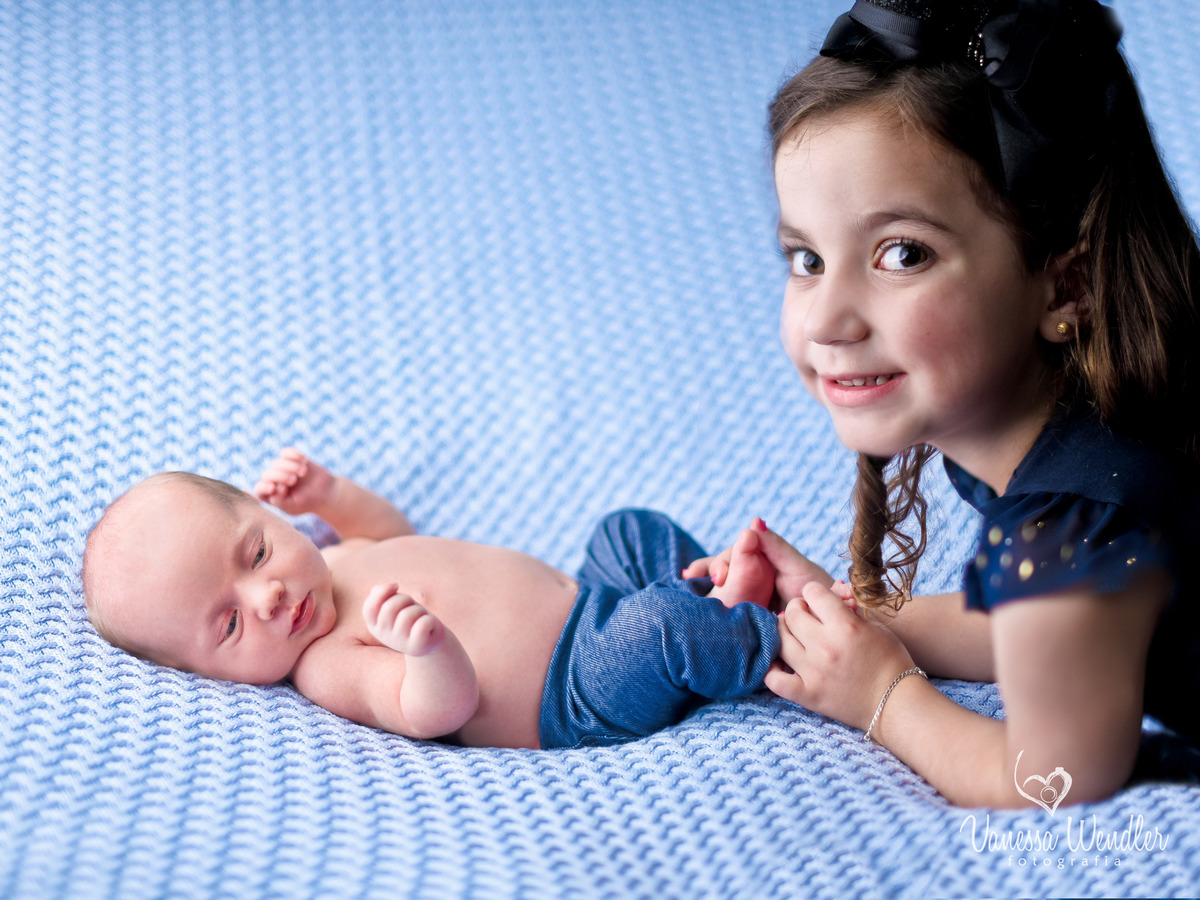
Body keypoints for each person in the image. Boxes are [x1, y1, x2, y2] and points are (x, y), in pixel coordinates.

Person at [686, 0, 1200, 807]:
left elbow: (1054, 777)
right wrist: (860, 622)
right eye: (807, 257)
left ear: (1062, 282)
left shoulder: (1075, 511)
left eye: (901, 253)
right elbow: (1056, 631)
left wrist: (882, 695)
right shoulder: (1049, 434)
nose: (825, 318)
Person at [81, 448, 782, 750]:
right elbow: (432, 710)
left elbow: (392, 533)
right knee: (656, 629)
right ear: (209, 675)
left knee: (627, 529)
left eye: (258, 553)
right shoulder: (326, 665)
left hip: (588, 595)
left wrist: (328, 495)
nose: (267, 596)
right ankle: (771, 633)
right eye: (230, 623)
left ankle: (710, 591)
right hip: (574, 690)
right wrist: (427, 649)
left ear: (271, 518)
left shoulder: (333, 556)